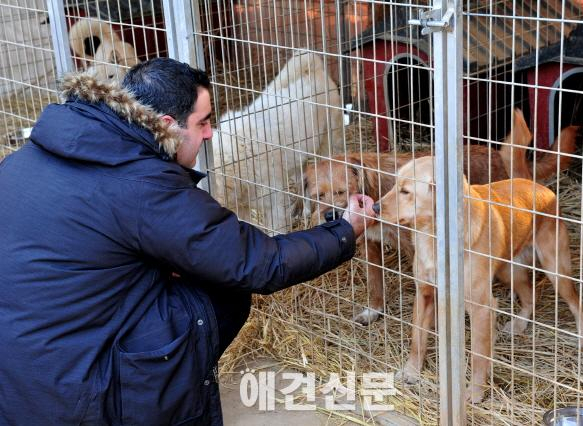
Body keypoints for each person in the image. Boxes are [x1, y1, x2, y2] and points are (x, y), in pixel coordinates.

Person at [0, 57, 375, 425]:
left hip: (16, 378)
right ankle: (167, 401)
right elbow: (258, 263)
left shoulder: (26, 157)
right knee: (221, 288)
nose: (211, 133)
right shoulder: (144, 184)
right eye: (203, 122)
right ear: (167, 125)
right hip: (78, 397)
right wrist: (345, 230)